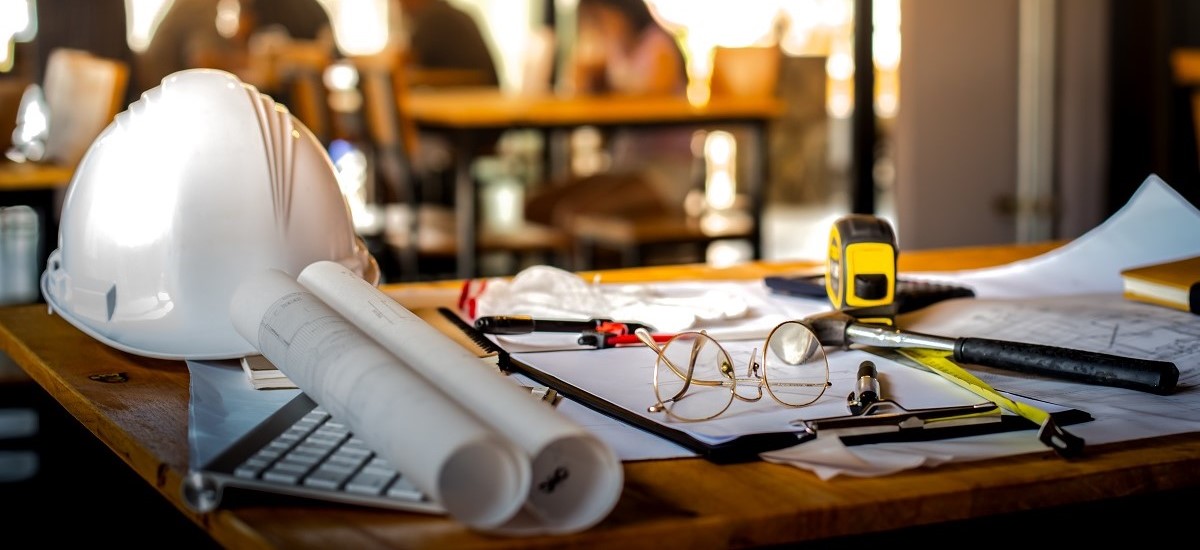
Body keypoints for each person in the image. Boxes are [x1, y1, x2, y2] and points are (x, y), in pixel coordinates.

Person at [394, 0, 500, 87]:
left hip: (473, 96)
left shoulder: (434, 17)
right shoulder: (447, 13)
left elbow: (406, 59)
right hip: (484, 92)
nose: (400, 5)